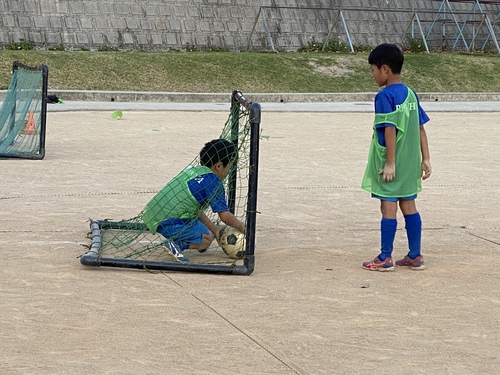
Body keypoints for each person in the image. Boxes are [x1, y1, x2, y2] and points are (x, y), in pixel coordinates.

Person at [361, 43, 432, 272]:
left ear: (385, 69)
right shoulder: (411, 94)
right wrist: (426, 158)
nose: (372, 75)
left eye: (372, 70)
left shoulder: (384, 96)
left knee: (388, 206)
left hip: (392, 162)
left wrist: (390, 163)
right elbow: (421, 127)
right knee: (409, 205)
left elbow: (389, 128)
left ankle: (385, 257)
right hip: (411, 162)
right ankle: (415, 255)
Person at [141, 139, 246, 261]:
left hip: (153, 214)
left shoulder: (193, 171)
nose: (230, 171)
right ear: (219, 166)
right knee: (206, 238)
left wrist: (215, 229)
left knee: (209, 232)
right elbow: (225, 216)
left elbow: (195, 211)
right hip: (169, 221)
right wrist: (243, 227)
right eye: (230, 166)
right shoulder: (213, 182)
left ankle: (185, 238)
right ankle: (177, 245)